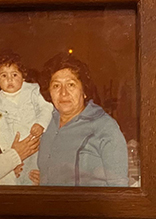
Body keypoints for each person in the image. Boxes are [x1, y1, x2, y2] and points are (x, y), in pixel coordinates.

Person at [34, 52, 129, 186]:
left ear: (84, 91)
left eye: (71, 85)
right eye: (56, 86)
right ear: (49, 92)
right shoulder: (46, 122)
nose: (63, 93)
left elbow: (119, 186)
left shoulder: (104, 126)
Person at [0, 50, 54, 185]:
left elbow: (46, 107)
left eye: (14, 74)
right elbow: (0, 131)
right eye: (4, 76)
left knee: (39, 173)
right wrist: (9, 151)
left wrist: (41, 124)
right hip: (17, 148)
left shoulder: (33, 90)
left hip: (38, 142)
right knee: (20, 176)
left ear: (23, 77)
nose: (10, 79)